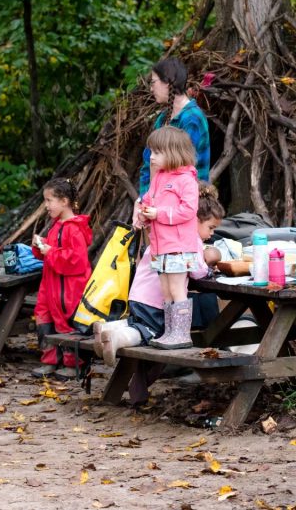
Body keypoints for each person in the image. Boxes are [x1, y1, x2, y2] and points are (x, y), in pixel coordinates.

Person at [93, 182, 224, 369]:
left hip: (138, 295)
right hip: (155, 300)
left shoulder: (164, 234)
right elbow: (198, 271)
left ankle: (107, 328)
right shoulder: (190, 239)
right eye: (210, 227)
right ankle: (115, 338)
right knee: (150, 332)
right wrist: (210, 267)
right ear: (194, 220)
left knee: (137, 322)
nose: (211, 234)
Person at [133, 126, 201, 350]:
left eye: (157, 152)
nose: (151, 157)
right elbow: (149, 201)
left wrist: (159, 214)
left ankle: (182, 334)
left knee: (177, 288)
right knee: (164, 290)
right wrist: (144, 215)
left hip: (179, 246)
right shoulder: (159, 178)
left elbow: (189, 211)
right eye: (151, 151)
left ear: (172, 152)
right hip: (159, 246)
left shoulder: (187, 179)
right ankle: (170, 332)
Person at [31, 178, 93, 380]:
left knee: (68, 323)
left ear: (64, 201)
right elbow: (50, 254)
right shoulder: (56, 225)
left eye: (49, 200)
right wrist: (40, 247)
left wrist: (51, 252)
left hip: (69, 288)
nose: (46, 206)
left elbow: (77, 261)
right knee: (44, 316)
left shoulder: (74, 229)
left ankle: (74, 364)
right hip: (51, 285)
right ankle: (51, 359)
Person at [138, 57, 210, 196]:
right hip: (157, 200)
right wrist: (143, 198)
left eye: (153, 82)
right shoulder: (163, 118)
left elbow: (182, 169)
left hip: (184, 203)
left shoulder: (192, 119)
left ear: (168, 82)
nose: (151, 88)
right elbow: (148, 163)